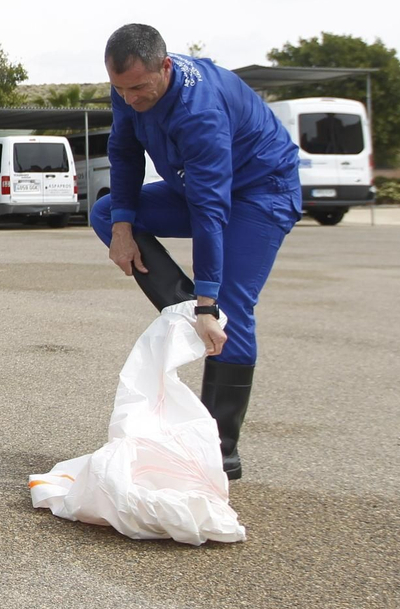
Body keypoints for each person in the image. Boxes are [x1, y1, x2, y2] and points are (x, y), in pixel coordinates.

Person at [90, 24, 300, 479]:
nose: (130, 99)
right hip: (201, 188)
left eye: (139, 88)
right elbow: (124, 151)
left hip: (261, 191)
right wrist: (123, 225)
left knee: (230, 308)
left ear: (165, 68)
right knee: (107, 213)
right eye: (120, 89)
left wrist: (209, 300)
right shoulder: (129, 88)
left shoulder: (199, 110)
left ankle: (220, 452)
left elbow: (210, 210)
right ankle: (190, 315)